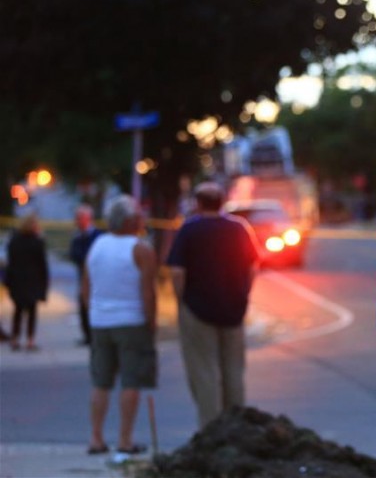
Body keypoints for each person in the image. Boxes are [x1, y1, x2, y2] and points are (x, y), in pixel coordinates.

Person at [167, 182, 261, 428]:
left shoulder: (189, 230)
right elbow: (253, 266)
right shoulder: (239, 229)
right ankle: (237, 425)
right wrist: (244, 293)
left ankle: (211, 428)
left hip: (197, 309)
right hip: (233, 309)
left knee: (205, 370)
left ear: (198, 203)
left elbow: (177, 271)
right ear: (222, 202)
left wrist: (181, 300)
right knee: (234, 369)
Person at [83, 194, 157, 455]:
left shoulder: (97, 245)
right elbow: (148, 292)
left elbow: (86, 286)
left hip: (100, 321)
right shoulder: (141, 249)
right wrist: (152, 322)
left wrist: (93, 311)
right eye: (138, 216)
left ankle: (96, 438)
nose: (141, 220)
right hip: (131, 320)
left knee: (100, 381)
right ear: (129, 221)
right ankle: (124, 440)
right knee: (130, 381)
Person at [3, 213, 49, 351]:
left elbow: (10, 263)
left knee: (18, 311)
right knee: (32, 311)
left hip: (17, 281)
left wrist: (8, 281)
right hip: (33, 281)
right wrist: (44, 283)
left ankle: (15, 338)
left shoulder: (14, 241)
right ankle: (30, 340)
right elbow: (42, 265)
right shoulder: (37, 242)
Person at [69, 204, 103, 346]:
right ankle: (88, 336)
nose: (77, 221)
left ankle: (96, 335)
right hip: (83, 277)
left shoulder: (98, 236)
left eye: (79, 218)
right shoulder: (77, 237)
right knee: (83, 305)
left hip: (98, 279)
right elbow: (74, 255)